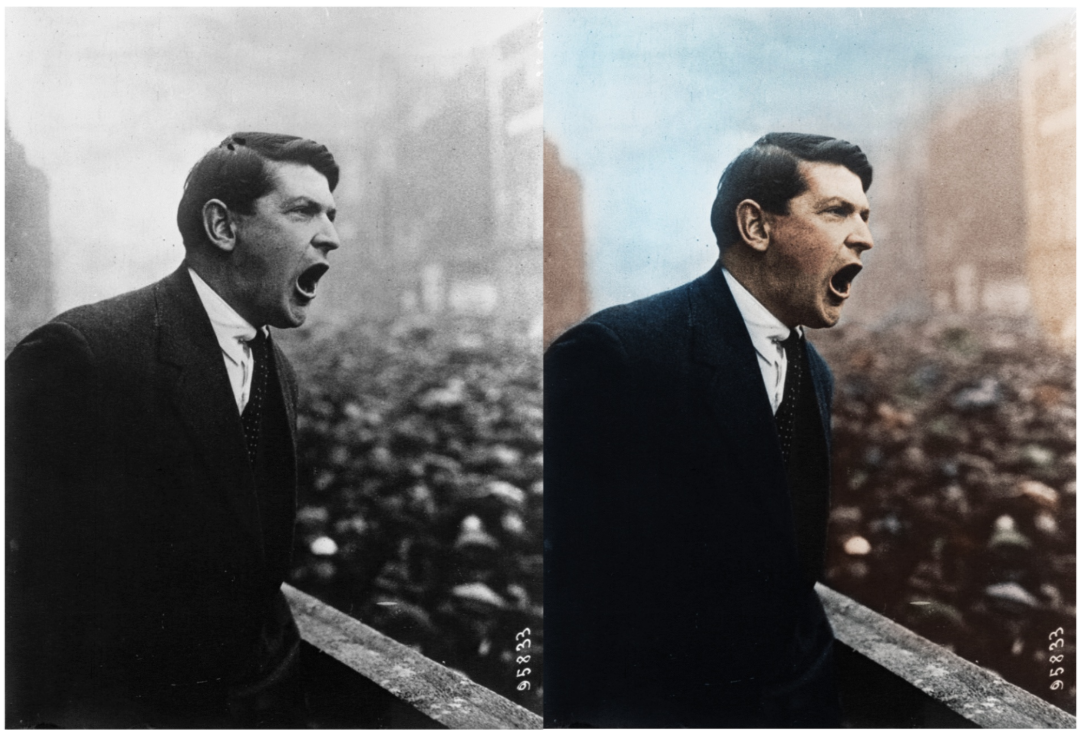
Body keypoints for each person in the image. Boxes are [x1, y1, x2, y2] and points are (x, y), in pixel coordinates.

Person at [6, 132, 341, 728]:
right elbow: (28, 605)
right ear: (223, 227)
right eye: (303, 211)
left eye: (331, 215)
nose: (330, 236)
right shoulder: (80, 354)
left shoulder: (278, 371)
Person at [544, 132, 874, 727]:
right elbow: (574, 599)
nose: (864, 237)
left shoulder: (816, 374)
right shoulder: (616, 353)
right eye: (837, 211)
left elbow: (791, 582)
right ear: (756, 227)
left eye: (865, 216)